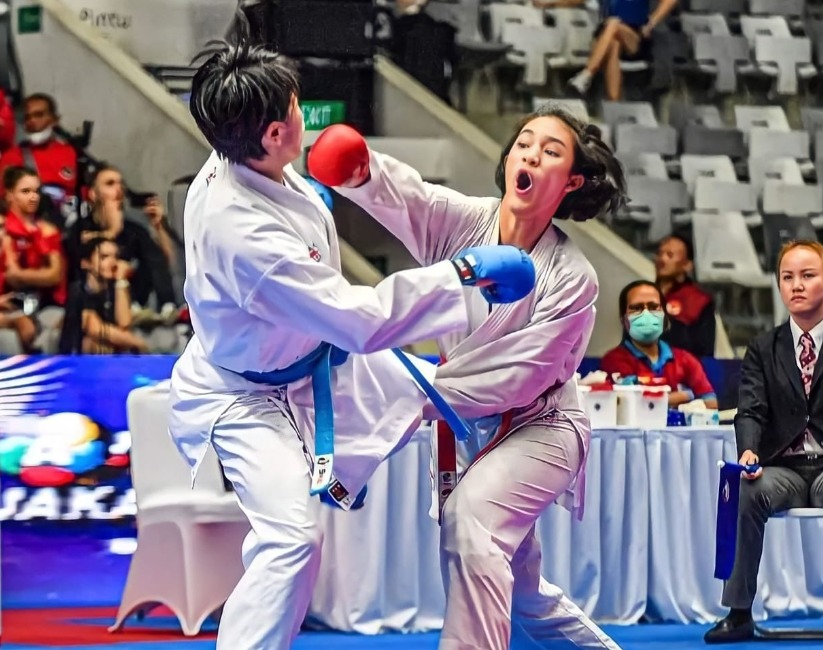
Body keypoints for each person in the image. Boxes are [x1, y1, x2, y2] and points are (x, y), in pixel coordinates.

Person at [167, 31, 536, 650]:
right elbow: (358, 321)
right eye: (292, 105)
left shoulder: (235, 146)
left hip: (305, 364)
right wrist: (463, 275)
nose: (300, 110)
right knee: (292, 537)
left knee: (434, 397)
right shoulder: (246, 236)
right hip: (245, 397)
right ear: (271, 134)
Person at [309, 104, 628, 649]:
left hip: (543, 428)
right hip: (465, 428)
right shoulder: (462, 222)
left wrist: (415, 390)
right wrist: (361, 172)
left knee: (470, 523)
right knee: (522, 592)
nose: (531, 153)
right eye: (525, 142)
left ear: (570, 181)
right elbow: (413, 196)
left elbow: (518, 379)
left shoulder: (574, 277)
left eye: (550, 151)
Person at [704, 240, 823, 644]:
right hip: (780, 468)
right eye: (788, 277)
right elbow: (750, 410)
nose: (796, 285)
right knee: (743, 486)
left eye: (808, 276)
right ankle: (738, 612)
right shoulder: (762, 348)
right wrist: (748, 450)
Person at [601, 280, 717, 409]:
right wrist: (687, 395)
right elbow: (636, 403)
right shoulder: (614, 360)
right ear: (624, 320)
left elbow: (711, 403)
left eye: (653, 307)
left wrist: (664, 399)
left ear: (664, 316)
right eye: (636, 308)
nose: (646, 314)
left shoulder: (685, 360)